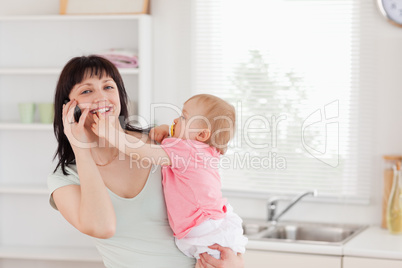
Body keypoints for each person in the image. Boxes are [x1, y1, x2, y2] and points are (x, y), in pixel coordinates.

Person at [47, 55, 245, 268]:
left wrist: (236, 263)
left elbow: (211, 209)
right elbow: (102, 228)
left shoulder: (161, 144)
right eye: (87, 91)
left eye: (108, 87)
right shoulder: (65, 179)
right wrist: (82, 150)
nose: (102, 97)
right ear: (68, 107)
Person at [91, 94, 248, 261]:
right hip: (209, 221)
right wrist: (168, 130)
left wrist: (111, 134)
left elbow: (143, 152)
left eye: (183, 117)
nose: (176, 120)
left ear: (202, 135)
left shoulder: (187, 150)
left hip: (203, 227)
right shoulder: (206, 150)